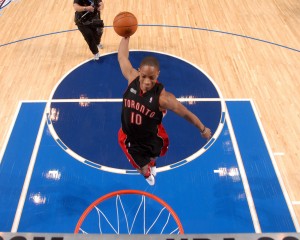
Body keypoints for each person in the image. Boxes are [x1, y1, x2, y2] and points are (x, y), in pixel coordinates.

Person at [117, 37, 212, 186]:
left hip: (151, 136)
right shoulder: (132, 78)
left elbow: (185, 113)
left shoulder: (164, 99)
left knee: (154, 156)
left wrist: (203, 128)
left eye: (152, 78)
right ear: (139, 71)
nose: (147, 82)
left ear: (158, 75)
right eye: (143, 76)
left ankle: (152, 163)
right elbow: (122, 57)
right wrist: (126, 36)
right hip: (130, 138)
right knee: (141, 168)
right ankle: (147, 172)